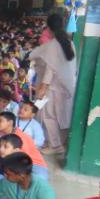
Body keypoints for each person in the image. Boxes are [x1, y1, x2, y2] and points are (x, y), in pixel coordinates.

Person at [29, 13, 76, 154]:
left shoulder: (52, 46)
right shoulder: (69, 42)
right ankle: (59, 142)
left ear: (48, 28)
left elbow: (50, 69)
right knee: (61, 115)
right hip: (66, 86)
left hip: (53, 87)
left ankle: (55, 146)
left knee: (49, 116)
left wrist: (42, 88)